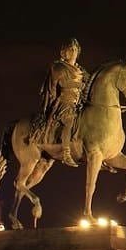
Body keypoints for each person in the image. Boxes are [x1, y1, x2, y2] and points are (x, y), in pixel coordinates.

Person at [39, 38, 87, 167]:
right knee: (69, 121)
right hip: (64, 102)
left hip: (78, 103)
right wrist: (79, 84)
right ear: (64, 52)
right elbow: (60, 83)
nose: (73, 52)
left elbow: (88, 83)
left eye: (75, 49)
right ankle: (66, 153)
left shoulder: (81, 70)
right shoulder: (58, 67)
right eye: (70, 49)